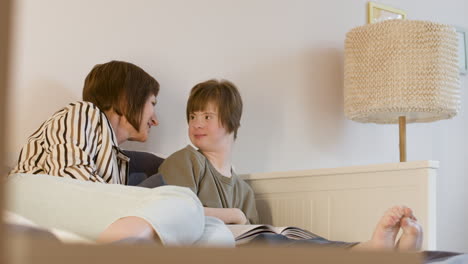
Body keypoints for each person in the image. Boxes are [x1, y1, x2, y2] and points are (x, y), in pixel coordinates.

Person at [158, 79, 423, 250]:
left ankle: (365, 249)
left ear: (231, 121)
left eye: (207, 116)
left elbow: (254, 236)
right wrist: (234, 215)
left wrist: (241, 219)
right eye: (192, 116)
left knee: (289, 235)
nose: (196, 123)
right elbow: (176, 213)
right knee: (271, 240)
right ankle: (369, 251)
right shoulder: (186, 160)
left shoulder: (244, 191)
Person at [7, 61, 234, 246]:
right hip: (29, 192)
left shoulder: (118, 159)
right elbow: (73, 181)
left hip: (75, 208)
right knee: (183, 200)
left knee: (216, 233)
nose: (155, 119)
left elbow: (102, 203)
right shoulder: (83, 112)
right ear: (126, 99)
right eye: (152, 103)